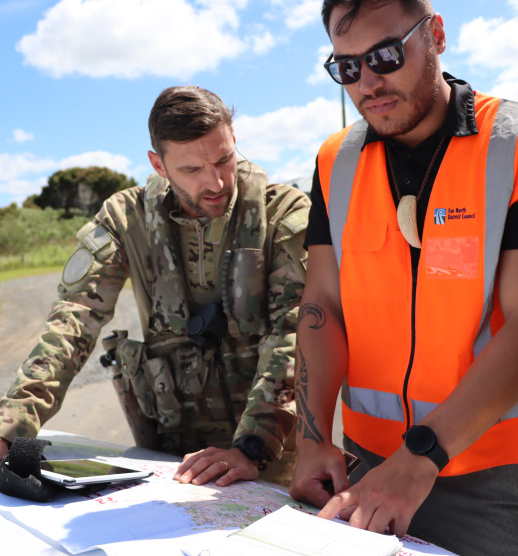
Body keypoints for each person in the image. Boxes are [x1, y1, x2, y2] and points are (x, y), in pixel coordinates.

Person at [288, 0, 518, 554]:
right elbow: (324, 304)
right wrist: (312, 437)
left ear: (436, 35)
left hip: (491, 477)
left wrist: (419, 459)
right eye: (346, 67)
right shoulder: (332, 162)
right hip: (364, 465)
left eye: (386, 55)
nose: (368, 81)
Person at [0, 85, 310, 487]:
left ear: (235, 141)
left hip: (270, 457)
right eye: (192, 170)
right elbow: (75, 320)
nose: (216, 182)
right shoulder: (125, 218)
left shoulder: (283, 213)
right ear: (158, 165)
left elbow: (296, 329)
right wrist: (10, 426)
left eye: (224, 159)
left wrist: (252, 447)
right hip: (168, 457)